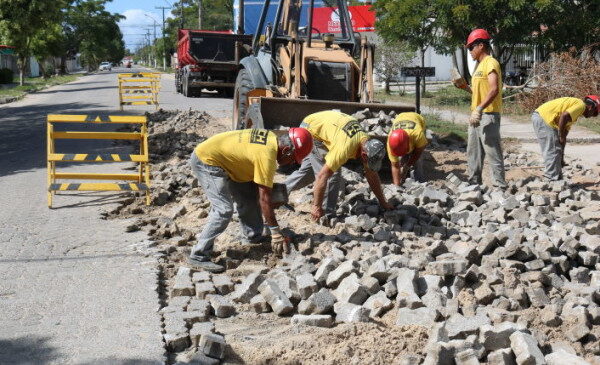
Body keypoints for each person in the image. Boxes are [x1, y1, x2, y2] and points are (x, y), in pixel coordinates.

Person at [189, 127, 313, 272]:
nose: (290, 164)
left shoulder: (272, 139)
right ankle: (198, 255)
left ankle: (253, 236)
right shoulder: (267, 156)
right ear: (286, 150)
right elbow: (264, 199)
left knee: (248, 196)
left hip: (232, 163)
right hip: (207, 161)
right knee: (223, 210)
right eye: (292, 160)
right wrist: (275, 231)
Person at [285, 110, 393, 221]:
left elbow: (371, 174)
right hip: (310, 131)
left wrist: (383, 202)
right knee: (332, 174)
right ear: (364, 154)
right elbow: (323, 176)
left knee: (309, 172)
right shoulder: (344, 148)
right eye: (367, 161)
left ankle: (277, 192)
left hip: (322, 125)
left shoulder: (367, 143)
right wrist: (316, 206)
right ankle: (326, 215)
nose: (367, 164)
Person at [453, 28, 507, 188]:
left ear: (481, 46)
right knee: (473, 153)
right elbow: (479, 92)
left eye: (471, 47)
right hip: (476, 116)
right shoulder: (479, 67)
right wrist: (464, 87)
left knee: (492, 151)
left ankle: (500, 185)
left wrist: (480, 109)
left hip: (488, 114)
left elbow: (494, 89)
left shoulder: (490, 63)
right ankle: (474, 184)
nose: (469, 51)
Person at [532, 95, 600, 180]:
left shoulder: (574, 114)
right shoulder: (581, 105)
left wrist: (562, 157)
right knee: (552, 149)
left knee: (556, 148)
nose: (592, 116)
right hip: (544, 118)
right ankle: (551, 179)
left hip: (541, 117)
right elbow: (563, 116)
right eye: (594, 113)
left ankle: (557, 177)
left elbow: (563, 138)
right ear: (590, 107)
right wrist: (560, 136)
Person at [387, 112, 429, 185]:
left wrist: (407, 166)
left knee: (418, 161)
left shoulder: (418, 134)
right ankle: (403, 179)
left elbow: (418, 151)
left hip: (417, 118)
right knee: (401, 161)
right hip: (400, 116)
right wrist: (397, 187)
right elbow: (395, 165)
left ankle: (419, 182)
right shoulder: (390, 141)